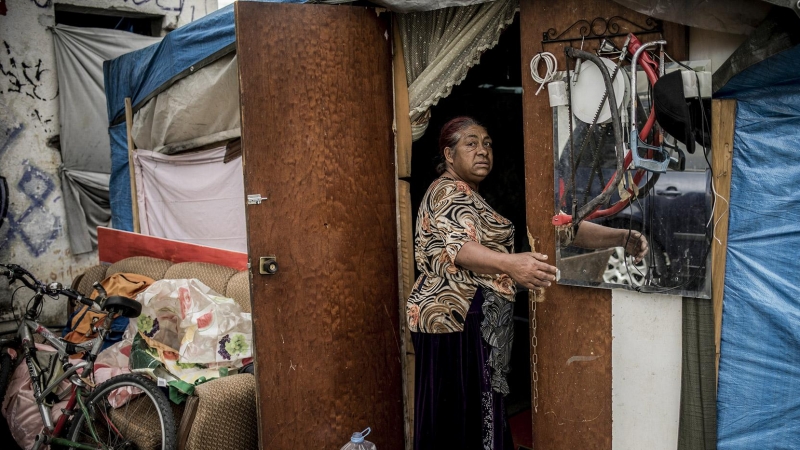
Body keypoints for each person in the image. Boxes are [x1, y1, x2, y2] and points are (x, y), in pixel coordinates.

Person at [407, 117, 648, 450]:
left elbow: (559, 229)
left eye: (487, 143)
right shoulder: (447, 192)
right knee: (460, 421)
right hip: (453, 320)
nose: (483, 151)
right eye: (471, 143)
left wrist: (623, 237)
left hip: (472, 320)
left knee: (476, 417)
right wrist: (512, 264)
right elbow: (459, 247)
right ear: (449, 155)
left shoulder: (480, 197)